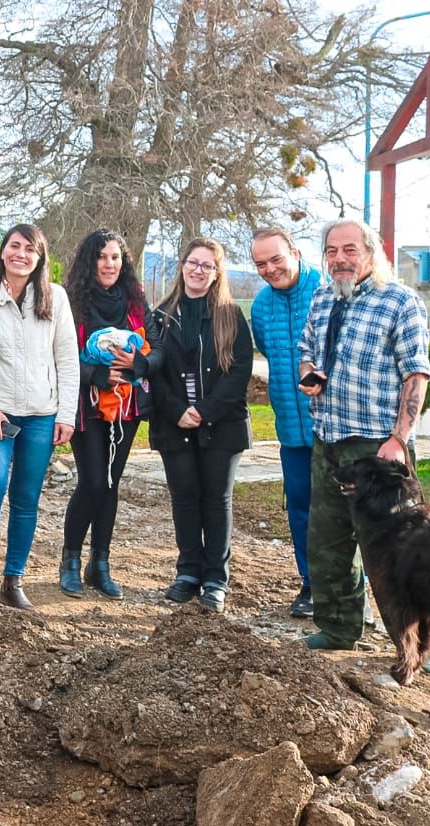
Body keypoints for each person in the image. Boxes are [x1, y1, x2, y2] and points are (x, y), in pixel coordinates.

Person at [296, 218, 430, 651]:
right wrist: (309, 374)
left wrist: (399, 439)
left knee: (397, 550)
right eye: (332, 251)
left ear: (372, 252)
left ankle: (420, 643)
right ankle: (338, 628)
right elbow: (306, 350)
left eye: (350, 250)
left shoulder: (400, 302)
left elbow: (416, 373)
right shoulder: (322, 298)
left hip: (377, 448)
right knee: (327, 542)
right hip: (328, 439)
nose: (340, 259)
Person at [0, 224, 78, 612]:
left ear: (40, 257)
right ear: (3, 252)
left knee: (26, 497)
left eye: (30, 249)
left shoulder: (56, 298)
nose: (21, 254)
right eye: (15, 246)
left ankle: (14, 580)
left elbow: (67, 358)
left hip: (41, 415)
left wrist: (66, 413)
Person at [150, 238, 253, 613]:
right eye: (193, 262)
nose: (198, 270)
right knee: (185, 498)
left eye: (207, 265)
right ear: (182, 266)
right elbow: (153, 371)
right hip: (173, 422)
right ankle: (188, 572)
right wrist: (177, 409)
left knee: (216, 499)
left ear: (216, 272)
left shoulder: (230, 315)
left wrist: (205, 410)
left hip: (221, 423)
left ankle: (215, 579)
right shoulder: (160, 315)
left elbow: (239, 371)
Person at [59, 229, 162, 600]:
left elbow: (157, 348)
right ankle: (70, 560)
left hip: (126, 407)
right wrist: (96, 374)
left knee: (111, 484)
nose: (109, 264)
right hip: (86, 405)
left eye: (116, 257)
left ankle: (99, 564)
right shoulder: (72, 303)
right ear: (90, 261)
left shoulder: (135, 301)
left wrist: (141, 364)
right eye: (102, 257)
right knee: (92, 482)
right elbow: (61, 353)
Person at [249, 227, 320, 618]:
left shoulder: (327, 290)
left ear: (294, 251)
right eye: (261, 263)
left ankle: (352, 591)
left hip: (334, 426)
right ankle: (309, 585)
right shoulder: (260, 306)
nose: (270, 269)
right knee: (300, 507)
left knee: (344, 511)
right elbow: (266, 349)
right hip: (291, 429)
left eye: (276, 259)